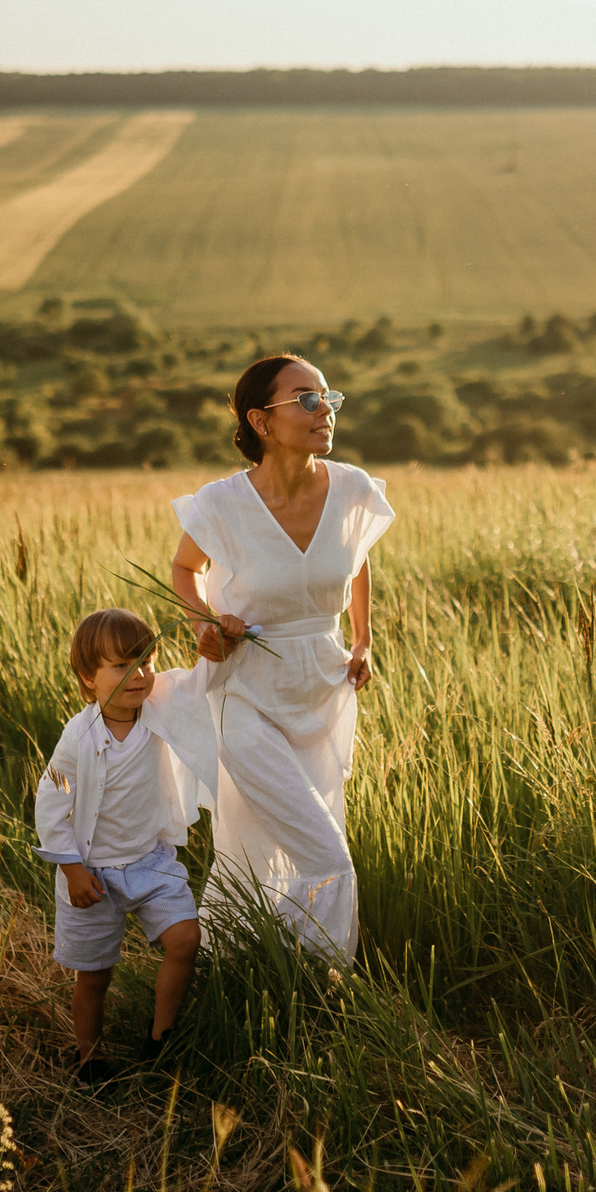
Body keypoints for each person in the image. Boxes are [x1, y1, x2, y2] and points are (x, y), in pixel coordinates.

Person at [170, 356, 392, 960]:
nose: (325, 412)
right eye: (307, 399)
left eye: (328, 398)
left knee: (254, 851)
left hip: (320, 691)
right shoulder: (222, 503)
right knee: (326, 858)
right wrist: (206, 622)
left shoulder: (352, 488)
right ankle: (323, 983)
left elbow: (358, 557)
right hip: (242, 692)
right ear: (261, 421)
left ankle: (246, 972)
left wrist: (363, 638)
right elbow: (185, 570)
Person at [33, 609, 218, 1081]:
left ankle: (161, 1040)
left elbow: (203, 683)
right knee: (94, 975)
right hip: (92, 869)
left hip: (151, 859)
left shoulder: (158, 709)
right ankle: (89, 1055)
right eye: (121, 665)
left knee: (186, 939)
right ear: (88, 677)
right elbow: (51, 800)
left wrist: (221, 643)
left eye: (146, 659)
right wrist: (71, 868)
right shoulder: (77, 737)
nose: (139, 675)